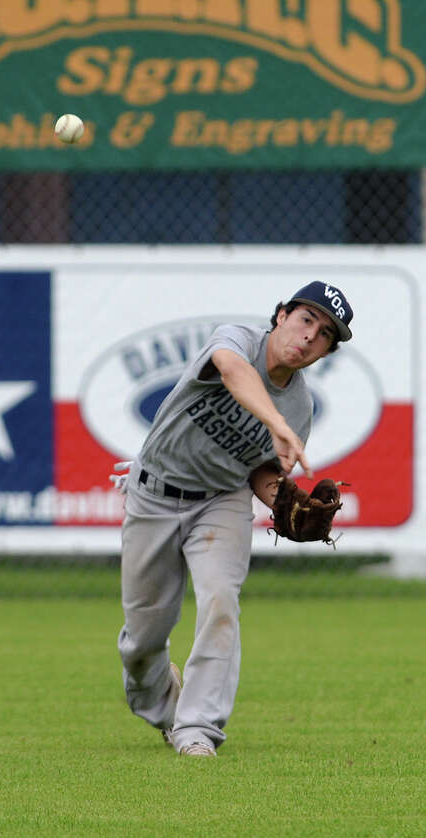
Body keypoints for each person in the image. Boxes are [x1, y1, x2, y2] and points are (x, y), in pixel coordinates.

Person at [111, 281, 352, 757]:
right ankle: (164, 705)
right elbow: (232, 372)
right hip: (154, 493)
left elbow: (260, 469)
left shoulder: (299, 406)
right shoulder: (237, 340)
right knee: (142, 641)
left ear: (326, 350)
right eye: (306, 319)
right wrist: (276, 423)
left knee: (221, 603)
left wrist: (285, 501)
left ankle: (198, 730)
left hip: (220, 501)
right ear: (281, 314)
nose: (310, 337)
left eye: (325, 334)